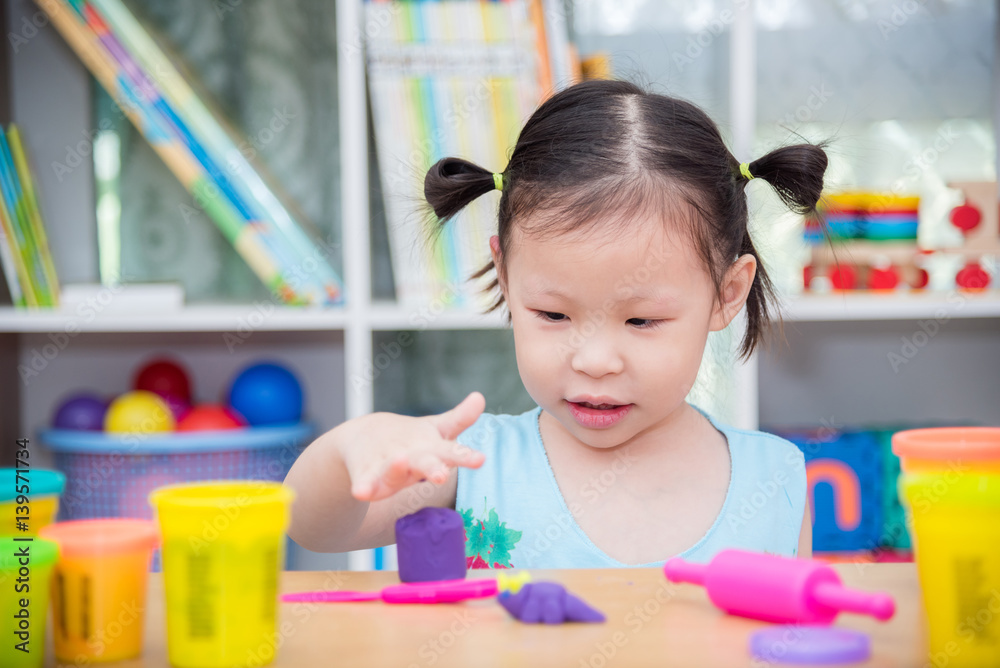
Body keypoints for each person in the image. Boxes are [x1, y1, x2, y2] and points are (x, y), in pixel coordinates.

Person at [285, 79, 827, 567]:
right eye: (553, 314)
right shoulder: (469, 464)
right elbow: (312, 527)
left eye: (641, 319)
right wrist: (347, 452)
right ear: (504, 274)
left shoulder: (775, 481)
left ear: (727, 293)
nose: (593, 361)